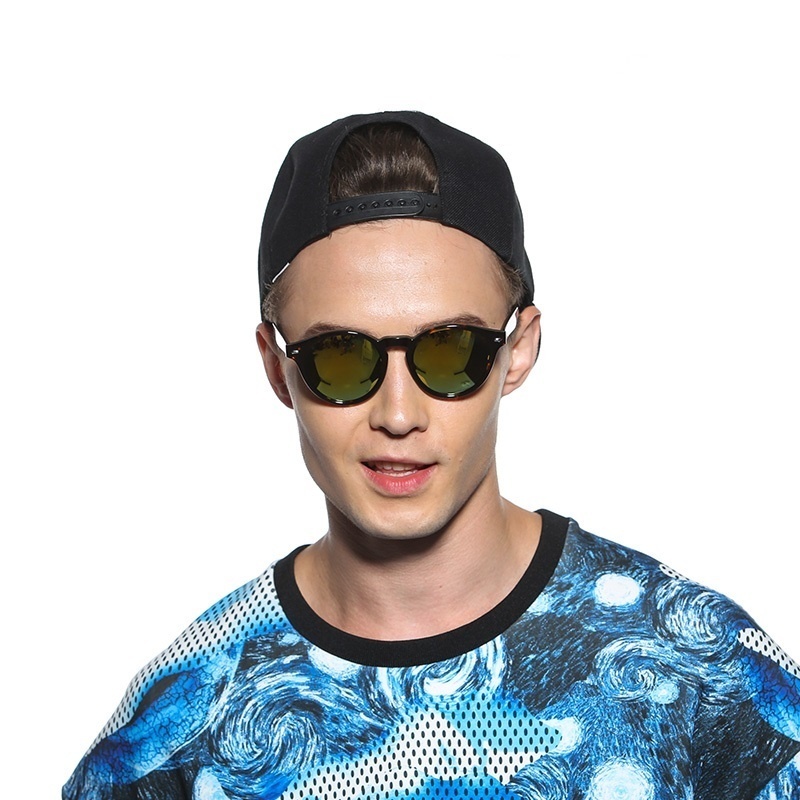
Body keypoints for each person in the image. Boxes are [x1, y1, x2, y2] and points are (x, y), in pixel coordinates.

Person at [63, 111, 800, 800]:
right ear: (276, 368)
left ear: (519, 350)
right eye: (339, 357)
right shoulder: (177, 736)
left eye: (449, 352)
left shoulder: (707, 681)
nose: (398, 415)